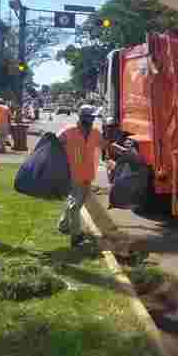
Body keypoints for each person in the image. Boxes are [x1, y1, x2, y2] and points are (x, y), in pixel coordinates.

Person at [58, 105, 128, 253]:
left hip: (87, 175)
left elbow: (106, 145)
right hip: (72, 174)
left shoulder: (95, 133)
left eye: (93, 117)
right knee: (75, 206)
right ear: (82, 116)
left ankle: (63, 225)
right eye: (89, 117)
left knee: (75, 201)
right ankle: (76, 236)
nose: (92, 120)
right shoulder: (67, 132)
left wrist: (123, 151)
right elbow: (53, 145)